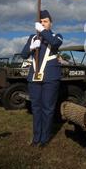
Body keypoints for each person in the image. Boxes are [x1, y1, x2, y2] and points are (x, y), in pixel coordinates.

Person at [21, 10, 63, 148]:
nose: (43, 24)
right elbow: (23, 54)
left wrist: (43, 32)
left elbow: (55, 44)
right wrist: (32, 47)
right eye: (41, 22)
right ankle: (36, 137)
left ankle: (45, 139)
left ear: (50, 23)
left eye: (45, 21)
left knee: (47, 108)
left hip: (50, 77)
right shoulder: (33, 37)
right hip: (34, 77)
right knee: (36, 108)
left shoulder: (56, 36)